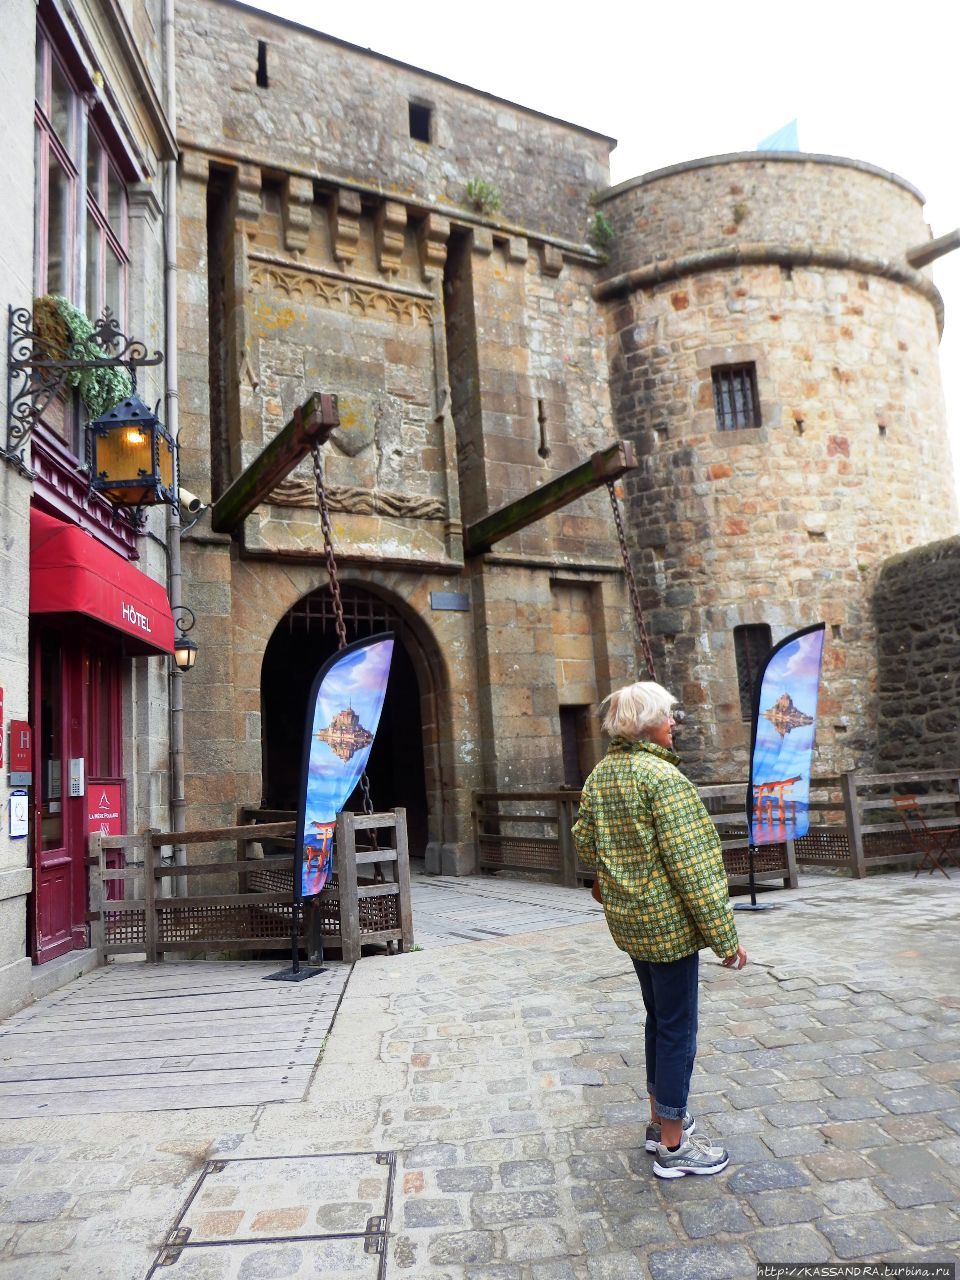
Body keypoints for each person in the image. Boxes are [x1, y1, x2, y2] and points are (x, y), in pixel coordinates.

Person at [572, 680, 748, 1179]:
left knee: (659, 1019)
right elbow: (694, 866)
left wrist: (614, 875)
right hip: (667, 927)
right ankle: (673, 1146)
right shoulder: (664, 779)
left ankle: (660, 1121)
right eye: (669, 715)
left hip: (630, 923)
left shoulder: (601, 775)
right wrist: (726, 939)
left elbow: (584, 841)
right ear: (648, 723)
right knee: (677, 1029)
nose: (674, 723)